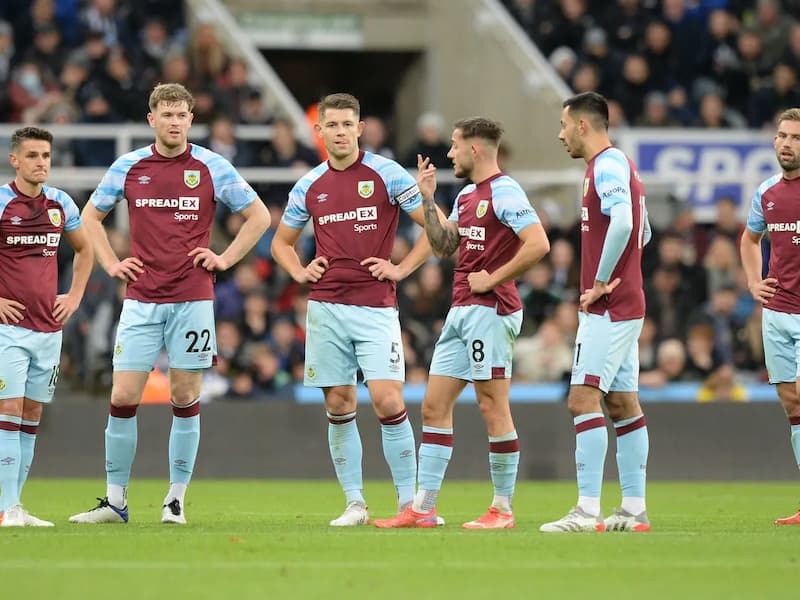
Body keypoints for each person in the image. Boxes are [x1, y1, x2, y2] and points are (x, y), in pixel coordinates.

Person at [69, 83, 270, 525]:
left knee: (184, 394)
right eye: (167, 114)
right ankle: (116, 501)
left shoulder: (211, 166)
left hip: (193, 298)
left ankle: (175, 500)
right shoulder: (130, 165)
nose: (175, 122)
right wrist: (110, 262)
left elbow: (260, 216)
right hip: (141, 298)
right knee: (123, 395)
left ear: (190, 120)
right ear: (152, 119)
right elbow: (89, 217)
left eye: (182, 115)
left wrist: (224, 259)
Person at [373, 117, 550, 529]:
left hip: (491, 309)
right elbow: (445, 245)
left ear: (475, 149)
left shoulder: (505, 191)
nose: (448, 153)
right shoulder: (468, 194)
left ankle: (502, 509)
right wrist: (429, 200)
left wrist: (494, 277)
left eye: (454, 146)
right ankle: (423, 508)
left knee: (492, 405)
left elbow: (539, 243)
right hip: (461, 309)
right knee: (434, 406)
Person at [271, 93, 438, 526]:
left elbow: (435, 232)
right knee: (340, 402)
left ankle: (409, 506)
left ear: (360, 128)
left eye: (349, 124)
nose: (341, 132)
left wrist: (401, 268)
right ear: (319, 131)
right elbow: (280, 243)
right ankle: (356, 504)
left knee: (387, 399)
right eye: (334, 125)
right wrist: (300, 271)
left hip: (375, 306)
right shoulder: (309, 185)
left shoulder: (386, 173)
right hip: (326, 307)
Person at [539, 91, 653, 533]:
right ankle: (633, 509)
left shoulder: (605, 165)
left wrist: (603, 279)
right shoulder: (618, 165)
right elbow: (644, 230)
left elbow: (625, 223)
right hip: (625, 302)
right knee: (623, 403)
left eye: (564, 124)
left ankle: (587, 511)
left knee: (582, 399)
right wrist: (627, 270)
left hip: (610, 306)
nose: (561, 133)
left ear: (583, 125)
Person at [0, 126, 93, 527]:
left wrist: (73, 297)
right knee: (9, 409)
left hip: (48, 329)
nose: (41, 163)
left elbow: (86, 249)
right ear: (15, 160)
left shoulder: (61, 204)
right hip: (9, 329)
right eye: (33, 155)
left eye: (46, 156)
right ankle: (7, 508)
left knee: (32, 413)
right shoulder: (2, 202)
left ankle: (15, 504)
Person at [740, 107, 800, 525]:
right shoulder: (767, 192)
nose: (787, 144)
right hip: (777, 312)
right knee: (791, 401)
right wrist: (752, 281)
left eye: (795, 137)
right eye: (782, 136)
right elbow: (749, 238)